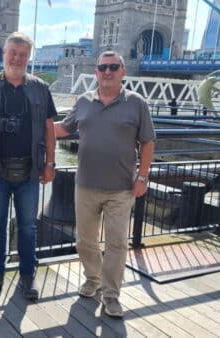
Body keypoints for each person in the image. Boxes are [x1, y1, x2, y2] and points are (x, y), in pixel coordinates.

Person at [54, 50, 155, 318]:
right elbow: (64, 129)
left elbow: (147, 142)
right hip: (86, 185)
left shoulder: (137, 103)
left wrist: (142, 176)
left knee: (117, 244)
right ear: (97, 72)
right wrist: (35, 127)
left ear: (123, 71)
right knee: (85, 241)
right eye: (102, 67)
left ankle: (111, 295)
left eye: (113, 66)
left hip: (121, 188)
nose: (107, 71)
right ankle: (93, 279)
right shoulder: (84, 101)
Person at [0, 32, 57, 300]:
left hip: (31, 169)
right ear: (4, 53)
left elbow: (49, 129)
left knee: (28, 227)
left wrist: (50, 164)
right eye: (13, 53)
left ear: (28, 57)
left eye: (23, 55)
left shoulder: (41, 88)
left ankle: (27, 277)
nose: (17, 59)